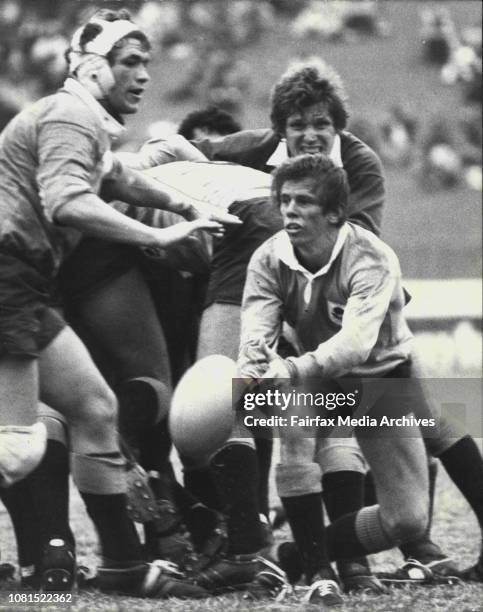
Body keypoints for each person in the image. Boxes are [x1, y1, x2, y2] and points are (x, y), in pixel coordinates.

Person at [0, 9, 226, 598]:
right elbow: (69, 202)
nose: (145, 76)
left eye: (148, 62)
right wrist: (158, 235)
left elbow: (118, 177)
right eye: (130, 62)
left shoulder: (76, 119)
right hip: (8, 276)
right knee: (20, 447)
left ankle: (124, 564)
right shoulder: (73, 115)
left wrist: (186, 208)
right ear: (94, 68)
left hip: (22, 280)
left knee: (96, 409)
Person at [237, 153, 434, 606]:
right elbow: (257, 329)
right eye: (284, 200)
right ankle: (320, 573)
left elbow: (355, 345)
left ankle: (297, 554)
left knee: (407, 521)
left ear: (334, 213)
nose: (289, 210)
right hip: (316, 378)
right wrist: (254, 370)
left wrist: (291, 367)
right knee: (293, 422)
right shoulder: (268, 259)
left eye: (303, 201)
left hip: (380, 381)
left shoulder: (373, 258)